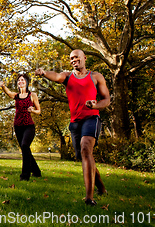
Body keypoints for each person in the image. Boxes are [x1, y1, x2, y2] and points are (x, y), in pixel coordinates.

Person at [35, 49, 109, 206]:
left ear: (84, 58)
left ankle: (89, 197)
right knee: (83, 155)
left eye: (76, 57)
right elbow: (56, 76)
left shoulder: (96, 77)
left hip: (92, 117)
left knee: (85, 148)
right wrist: (43, 73)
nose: (73, 60)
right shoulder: (67, 76)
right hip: (75, 123)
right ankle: (101, 185)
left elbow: (106, 99)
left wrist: (96, 105)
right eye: (71, 58)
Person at [0, 74, 41, 181]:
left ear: (27, 82)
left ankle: (25, 175)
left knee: (25, 145)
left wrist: (33, 110)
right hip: (18, 126)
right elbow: (8, 93)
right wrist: (3, 86)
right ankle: (36, 171)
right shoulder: (16, 96)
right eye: (19, 80)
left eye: (22, 80)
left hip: (29, 126)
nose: (20, 81)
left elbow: (39, 110)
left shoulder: (33, 95)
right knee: (25, 149)